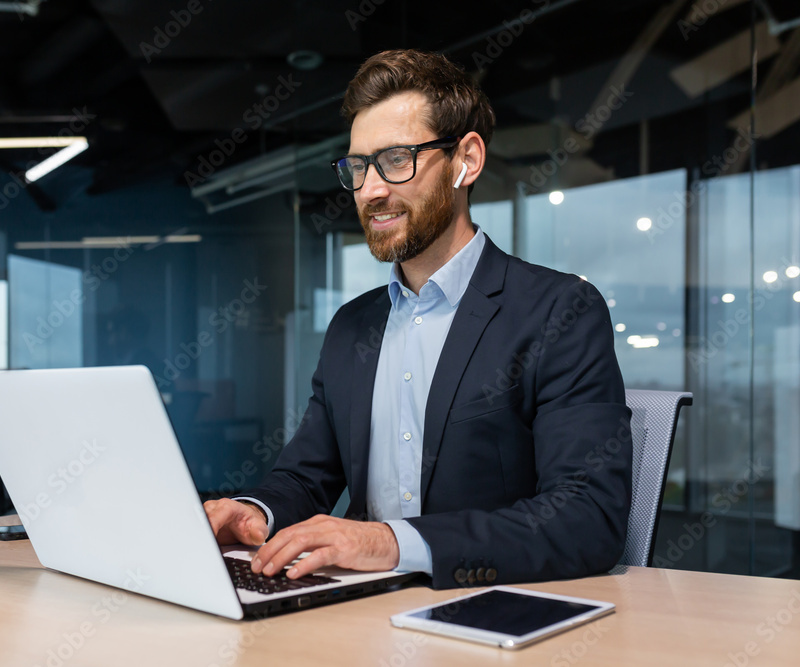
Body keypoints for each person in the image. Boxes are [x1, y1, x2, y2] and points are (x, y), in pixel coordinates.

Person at [204, 49, 632, 589]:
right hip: (364, 610)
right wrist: (255, 512)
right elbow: (305, 477)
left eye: (396, 159)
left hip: (495, 610)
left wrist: (391, 542)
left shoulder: (560, 310)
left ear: (466, 161)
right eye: (358, 167)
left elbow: (586, 519)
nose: (372, 189)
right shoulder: (352, 326)